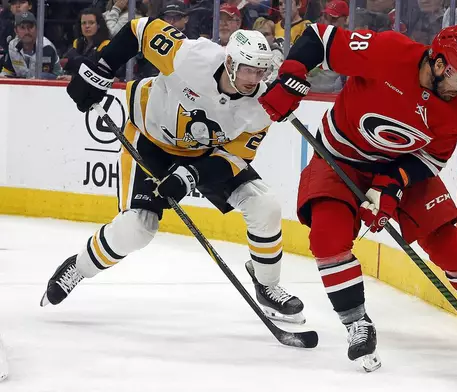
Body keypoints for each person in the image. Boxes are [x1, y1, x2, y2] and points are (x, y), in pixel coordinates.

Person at [259, 23, 457, 371]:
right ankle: (357, 324)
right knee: (328, 236)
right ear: (439, 64)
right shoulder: (389, 52)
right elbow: (319, 38)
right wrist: (292, 75)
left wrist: (390, 185)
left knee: (445, 240)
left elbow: (429, 158)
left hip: (396, 168)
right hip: (340, 158)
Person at [40, 20, 306, 325]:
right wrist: (100, 68)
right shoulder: (193, 58)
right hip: (150, 140)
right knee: (137, 228)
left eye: (261, 72)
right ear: (230, 62)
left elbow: (234, 157)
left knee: (265, 205)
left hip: (206, 154)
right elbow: (140, 30)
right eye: (248, 69)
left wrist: (189, 176)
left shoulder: (262, 105)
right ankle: (79, 267)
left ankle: (267, 285)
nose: (254, 79)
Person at [0, 11, 62, 79]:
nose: (27, 31)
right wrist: (3, 77)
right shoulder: (12, 46)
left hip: (45, 86)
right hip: (21, 86)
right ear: (16, 31)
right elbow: (8, 71)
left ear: (37, 29)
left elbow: (54, 76)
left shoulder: (46, 47)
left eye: (30, 27)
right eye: (22, 27)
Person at [58, 8, 111, 81]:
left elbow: (102, 73)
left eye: (91, 23)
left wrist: (74, 78)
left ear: (98, 25)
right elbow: (65, 63)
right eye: (84, 23)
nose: (87, 26)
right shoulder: (77, 43)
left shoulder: (106, 45)